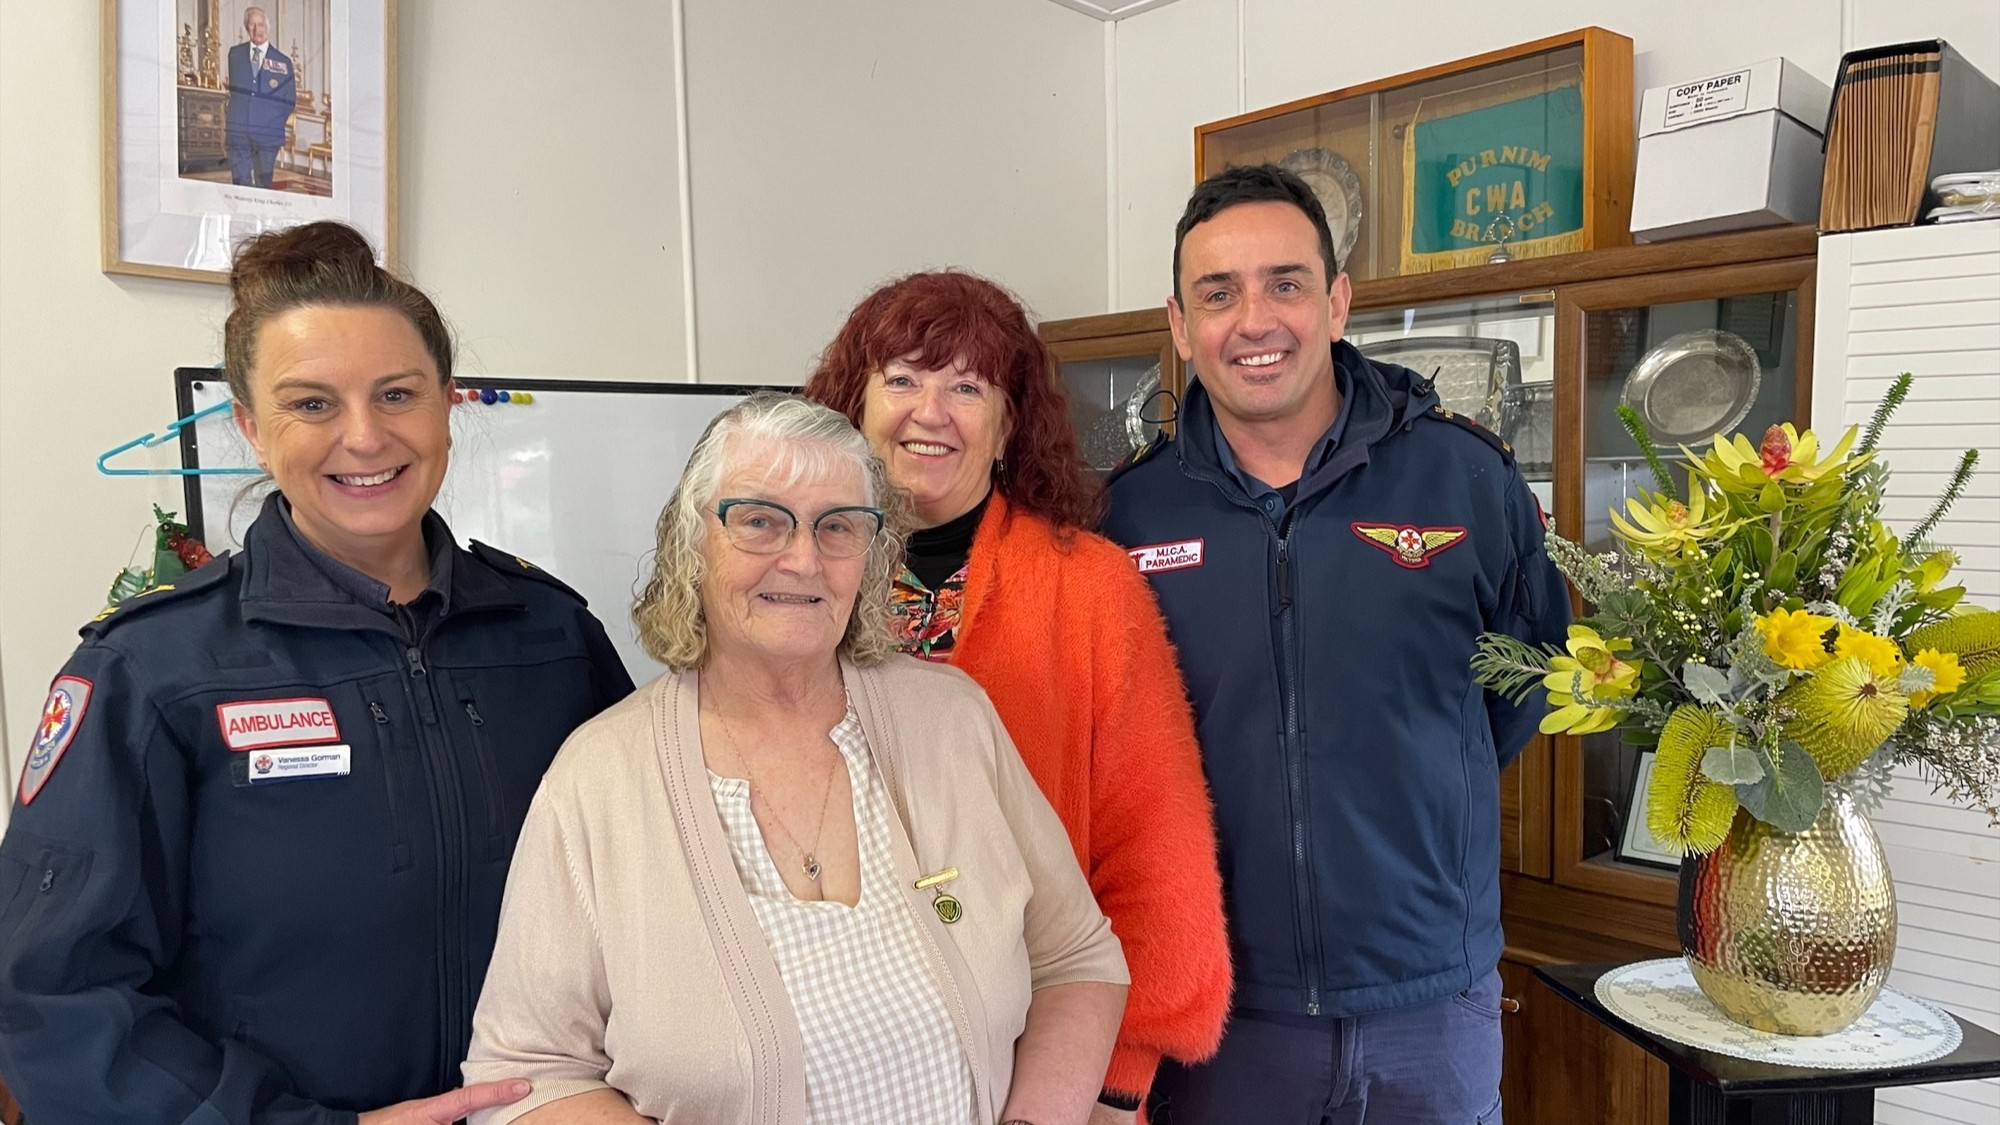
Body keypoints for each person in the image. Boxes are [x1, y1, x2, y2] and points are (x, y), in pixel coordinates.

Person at [0, 221, 635, 1125]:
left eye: (398, 394)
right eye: (311, 404)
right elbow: (57, 998)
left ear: (447, 407)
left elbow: (658, 889)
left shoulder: (554, 637)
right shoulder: (149, 671)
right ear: (253, 429)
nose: (365, 437)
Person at [462, 393, 1130, 1125]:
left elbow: (1075, 960)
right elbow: (531, 1071)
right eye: (759, 520)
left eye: (838, 526)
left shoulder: (951, 718)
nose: (803, 557)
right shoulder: (596, 780)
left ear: (870, 557)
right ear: (693, 544)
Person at [1102, 165, 1571, 1125]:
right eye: (1218, 293)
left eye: (1286, 282)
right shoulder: (1127, 513)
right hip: (1225, 1015)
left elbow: (1516, 690)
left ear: (1337, 300)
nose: (1255, 320)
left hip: (1430, 1004)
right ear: (1181, 325)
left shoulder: (1463, 478)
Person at [804, 271, 1232, 1121]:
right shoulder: (797, 577)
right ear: (853, 405)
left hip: (1044, 1067)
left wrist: (1115, 1077)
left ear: (1009, 424)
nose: (931, 411)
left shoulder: (1092, 590)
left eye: (967, 385)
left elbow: (1155, 850)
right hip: (832, 1059)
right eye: (902, 378)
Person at [226, 6, 295, 188]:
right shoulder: (235, 55)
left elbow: (289, 101)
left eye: (261, 24)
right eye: (252, 25)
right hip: (238, 132)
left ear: (268, 27)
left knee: (264, 186)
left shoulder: (283, 62)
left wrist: (271, 122)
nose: (257, 30)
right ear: (247, 28)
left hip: (267, 134)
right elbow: (236, 91)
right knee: (240, 183)